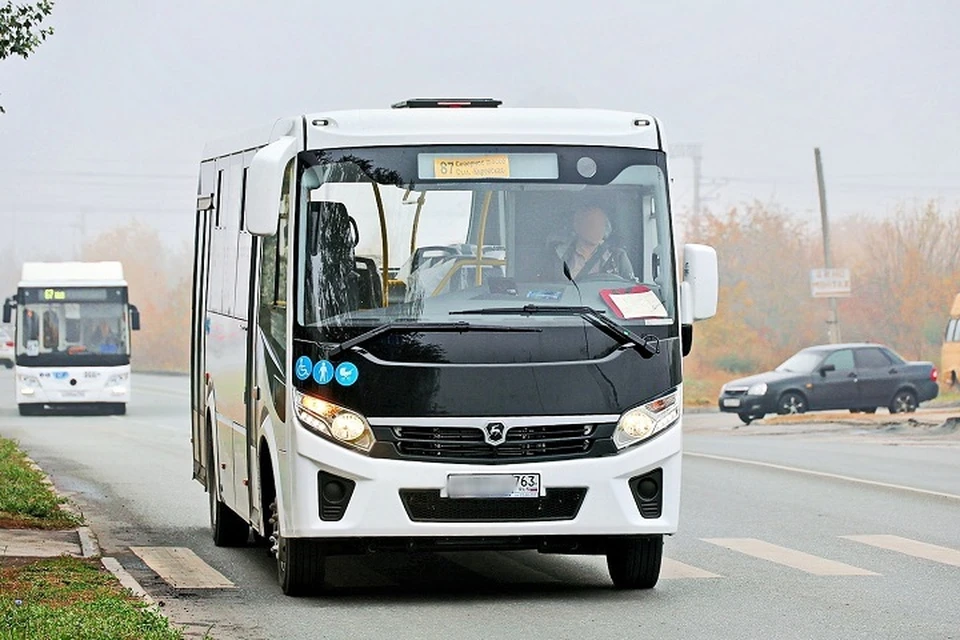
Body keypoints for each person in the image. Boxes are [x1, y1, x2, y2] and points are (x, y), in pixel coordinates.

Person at [549, 205, 635, 281]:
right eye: (590, 223)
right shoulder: (557, 255)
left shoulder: (618, 257)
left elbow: (630, 291)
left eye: (600, 224)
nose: (596, 228)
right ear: (577, 226)